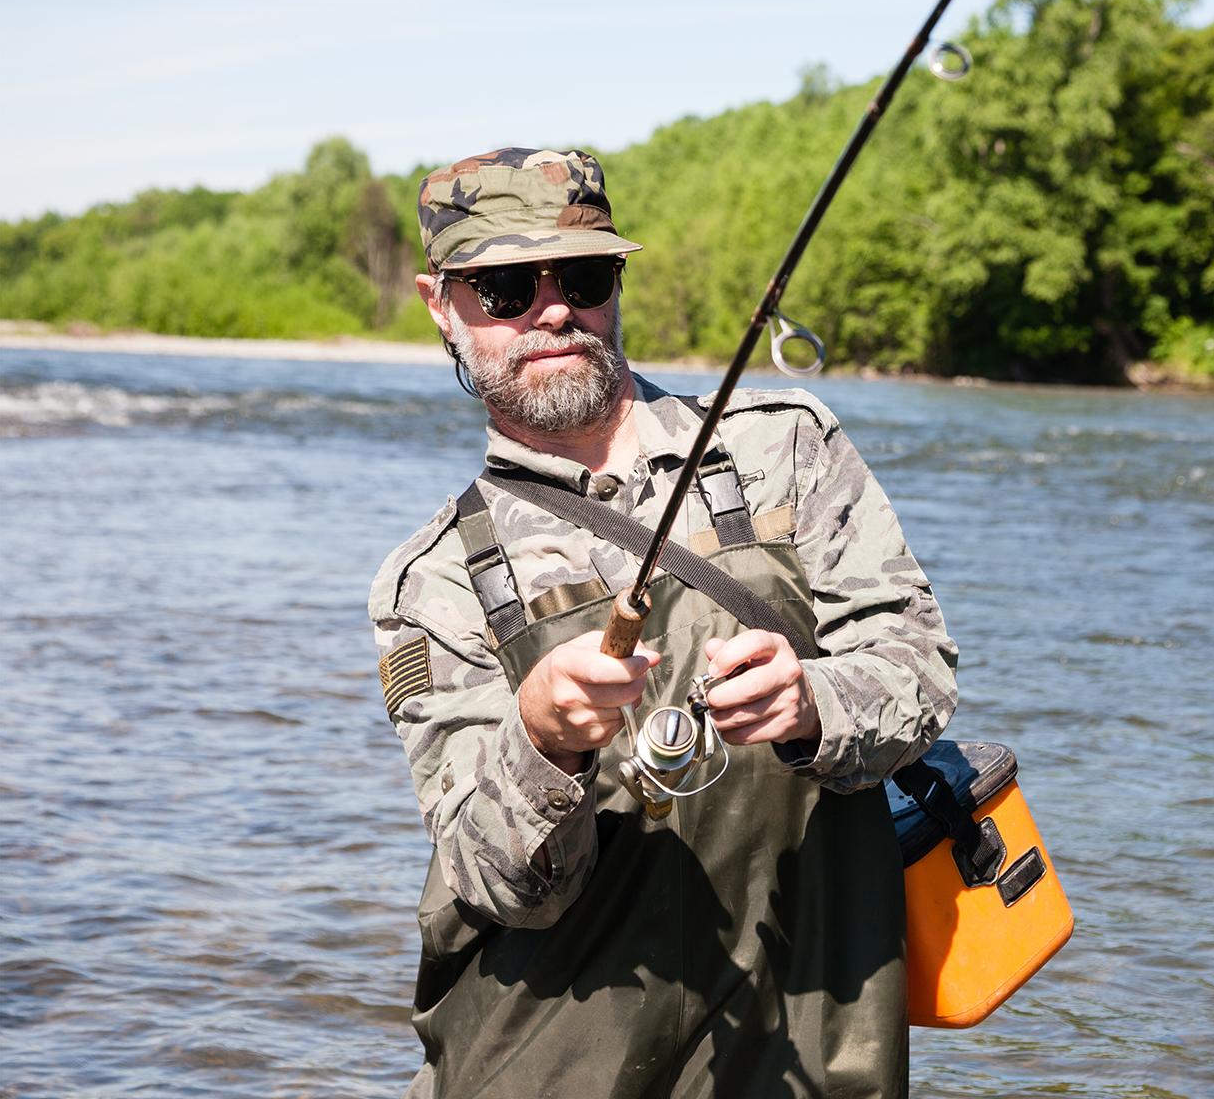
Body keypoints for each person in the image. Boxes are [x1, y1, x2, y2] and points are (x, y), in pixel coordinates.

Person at [368, 147, 957, 1098]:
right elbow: (494, 878)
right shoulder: (429, 581)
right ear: (444, 306)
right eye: (508, 287)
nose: (553, 309)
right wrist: (542, 743)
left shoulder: (788, 447)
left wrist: (816, 701)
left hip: (808, 1055)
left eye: (585, 275)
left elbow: (920, 669)